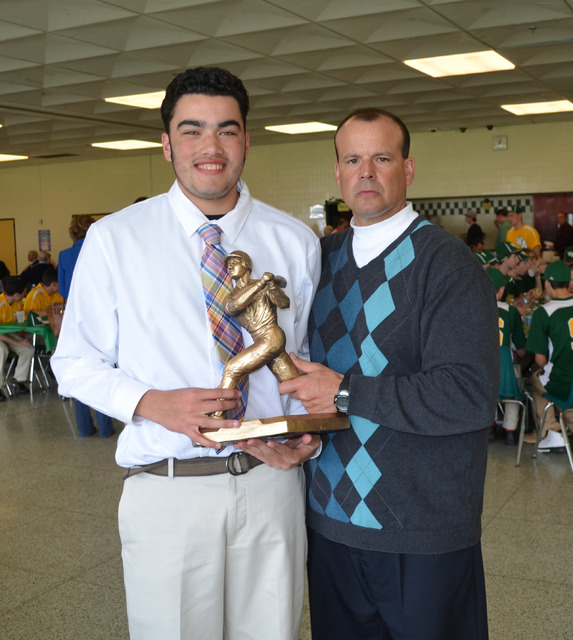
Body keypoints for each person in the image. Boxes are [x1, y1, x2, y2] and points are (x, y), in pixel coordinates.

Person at [51, 66, 321, 640]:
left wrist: (307, 426)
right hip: (167, 489)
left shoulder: (294, 240)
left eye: (227, 130)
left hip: (271, 487)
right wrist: (153, 403)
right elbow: (72, 362)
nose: (211, 147)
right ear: (167, 144)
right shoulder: (116, 239)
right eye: (193, 130)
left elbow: (297, 359)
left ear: (247, 140)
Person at [279, 108, 499, 640]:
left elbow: (468, 396)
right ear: (337, 174)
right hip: (330, 521)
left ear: (408, 168)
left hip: (421, 530)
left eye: (382, 158)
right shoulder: (319, 260)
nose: (366, 172)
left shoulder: (447, 264)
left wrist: (347, 390)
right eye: (353, 159)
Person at [58, 215, 114, 438]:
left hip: (76, 316)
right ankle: (106, 428)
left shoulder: (64, 255)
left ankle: (84, 428)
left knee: (81, 369)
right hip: (102, 314)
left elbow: (63, 291)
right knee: (104, 368)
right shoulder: (101, 248)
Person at [525, 260, 573, 452]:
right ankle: (563, 424)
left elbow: (540, 360)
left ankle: (551, 430)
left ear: (546, 284)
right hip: (571, 382)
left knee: (534, 383)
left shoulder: (543, 312)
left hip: (561, 380)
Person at [487, 267, 526, 444]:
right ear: (502, 289)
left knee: (487, 386)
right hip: (505, 367)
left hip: (483, 369)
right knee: (514, 374)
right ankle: (510, 430)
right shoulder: (511, 312)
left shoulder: (473, 307)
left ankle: (490, 426)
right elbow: (521, 350)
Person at [0, 277, 33, 400]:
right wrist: (17, 342)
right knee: (1, 350)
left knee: (28, 348)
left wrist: (22, 338)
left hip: (9, 335)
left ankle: (18, 380)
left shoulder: (18, 303)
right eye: (24, 292)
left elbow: (21, 322)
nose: (25, 294)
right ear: (16, 294)